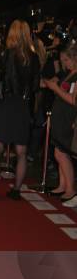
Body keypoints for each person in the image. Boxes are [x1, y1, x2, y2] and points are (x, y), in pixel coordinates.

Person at [0, 20, 40, 200]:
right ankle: (16, 190)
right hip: (22, 106)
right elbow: (36, 86)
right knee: (22, 152)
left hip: (3, 104)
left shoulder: (5, 54)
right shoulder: (34, 57)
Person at [44, 42, 77, 207]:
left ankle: (71, 189)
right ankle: (63, 186)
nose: (65, 62)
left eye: (67, 59)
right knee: (58, 152)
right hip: (60, 117)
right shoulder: (69, 73)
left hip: (67, 118)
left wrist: (56, 89)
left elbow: (73, 100)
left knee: (62, 153)